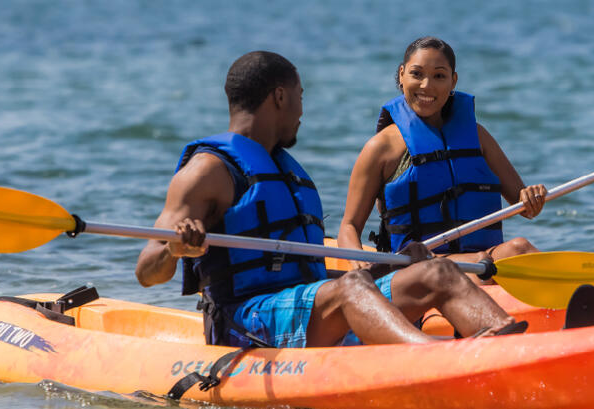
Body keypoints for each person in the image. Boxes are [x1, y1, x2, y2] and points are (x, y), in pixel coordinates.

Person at [135, 51, 522, 348]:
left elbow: (317, 279)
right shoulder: (208, 171)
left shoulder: (288, 170)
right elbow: (147, 271)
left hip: (310, 306)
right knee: (350, 289)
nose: (303, 111)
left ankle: (511, 349)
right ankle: (434, 359)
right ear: (280, 97)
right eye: (300, 98)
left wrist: (385, 271)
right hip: (248, 320)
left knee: (437, 272)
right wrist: (174, 248)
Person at [337, 36, 548, 277]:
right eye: (417, 74)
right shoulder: (381, 148)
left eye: (439, 76)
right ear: (402, 74)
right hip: (417, 266)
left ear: (453, 81)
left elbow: (526, 208)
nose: (427, 86)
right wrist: (357, 262)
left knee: (519, 247)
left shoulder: (478, 137)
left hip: (482, 260)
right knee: (478, 266)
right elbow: (349, 226)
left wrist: (531, 197)